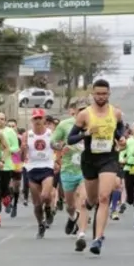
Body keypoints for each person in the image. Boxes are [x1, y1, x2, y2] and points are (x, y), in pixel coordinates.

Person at [67, 79, 127, 255]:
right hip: (90, 160)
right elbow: (70, 139)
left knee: (104, 197)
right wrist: (85, 134)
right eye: (98, 93)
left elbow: (119, 130)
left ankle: (97, 238)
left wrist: (121, 138)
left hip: (108, 158)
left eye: (104, 93)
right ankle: (86, 210)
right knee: (92, 200)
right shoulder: (84, 115)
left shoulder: (115, 113)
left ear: (109, 94)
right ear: (93, 94)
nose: (101, 97)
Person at [52, 101, 87, 236]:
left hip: (86, 169)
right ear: (75, 111)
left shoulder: (94, 124)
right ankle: (72, 218)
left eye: (86, 109)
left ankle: (81, 233)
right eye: (80, 110)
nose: (83, 112)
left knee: (82, 200)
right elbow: (52, 142)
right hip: (68, 169)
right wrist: (60, 147)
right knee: (70, 205)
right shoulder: (64, 125)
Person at [23, 109, 56, 239]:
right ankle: (40, 225)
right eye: (35, 119)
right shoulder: (27, 135)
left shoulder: (50, 134)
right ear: (32, 121)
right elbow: (22, 156)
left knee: (45, 195)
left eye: (40, 118)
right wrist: (23, 149)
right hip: (32, 169)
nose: (37, 121)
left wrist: (58, 160)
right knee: (37, 204)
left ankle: (48, 209)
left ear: (44, 120)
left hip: (47, 167)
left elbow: (56, 147)